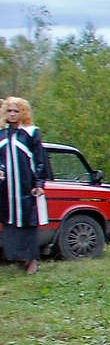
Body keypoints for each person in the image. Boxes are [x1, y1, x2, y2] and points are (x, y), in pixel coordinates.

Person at [1, 96, 51, 274]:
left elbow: (40, 160)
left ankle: (32, 260)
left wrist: (39, 183)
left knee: (27, 224)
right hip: (6, 190)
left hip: (26, 188)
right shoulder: (1, 135)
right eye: (9, 111)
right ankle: (18, 258)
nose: (13, 114)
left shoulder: (31, 133)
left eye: (16, 111)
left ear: (22, 112)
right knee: (10, 224)